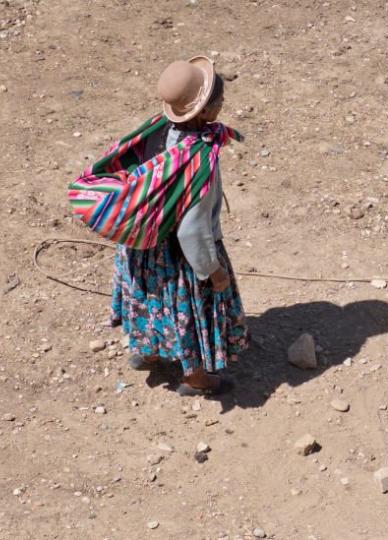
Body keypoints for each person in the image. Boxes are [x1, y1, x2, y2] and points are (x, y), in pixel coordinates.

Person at [110, 56, 248, 395]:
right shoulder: (198, 160)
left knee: (151, 298)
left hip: (143, 246)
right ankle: (196, 377)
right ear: (203, 111)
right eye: (219, 100)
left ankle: (148, 349)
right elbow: (191, 230)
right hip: (181, 257)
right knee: (191, 309)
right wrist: (212, 271)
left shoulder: (156, 132)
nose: (222, 104)